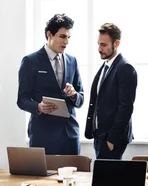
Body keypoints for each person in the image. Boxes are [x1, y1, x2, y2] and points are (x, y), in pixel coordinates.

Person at [17, 14, 84, 155]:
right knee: (42, 177)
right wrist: (39, 107)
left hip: (70, 135)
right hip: (43, 135)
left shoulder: (72, 61)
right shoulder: (30, 61)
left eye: (68, 37)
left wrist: (73, 95)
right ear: (49, 34)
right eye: (62, 36)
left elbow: (81, 98)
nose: (66, 42)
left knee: (73, 177)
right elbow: (22, 100)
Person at [85, 23, 137, 160]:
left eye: (104, 45)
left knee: (108, 180)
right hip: (100, 135)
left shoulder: (125, 68)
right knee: (103, 179)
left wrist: (112, 139)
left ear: (117, 43)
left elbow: (125, 108)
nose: (99, 49)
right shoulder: (106, 65)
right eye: (98, 44)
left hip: (112, 138)